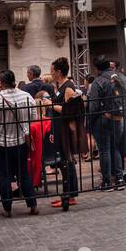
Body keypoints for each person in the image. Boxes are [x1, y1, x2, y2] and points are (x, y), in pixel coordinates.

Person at [0, 70, 38, 217]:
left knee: (3, 175)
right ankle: (32, 205)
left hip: (0, 143)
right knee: (24, 174)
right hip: (20, 141)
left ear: (0, 83)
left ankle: (7, 208)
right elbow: (33, 118)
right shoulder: (26, 96)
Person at [85, 56, 124, 191]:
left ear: (97, 68)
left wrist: (90, 122)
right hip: (118, 118)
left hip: (103, 119)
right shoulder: (121, 78)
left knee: (104, 151)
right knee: (116, 148)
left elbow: (94, 106)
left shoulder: (98, 81)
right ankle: (119, 180)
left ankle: (106, 182)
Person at [48, 57, 82, 210]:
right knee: (65, 162)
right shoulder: (61, 86)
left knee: (66, 162)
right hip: (59, 129)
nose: (51, 73)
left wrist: (51, 105)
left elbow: (69, 111)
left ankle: (68, 196)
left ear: (59, 72)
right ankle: (69, 194)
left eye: (52, 71)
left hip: (65, 131)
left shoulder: (68, 87)